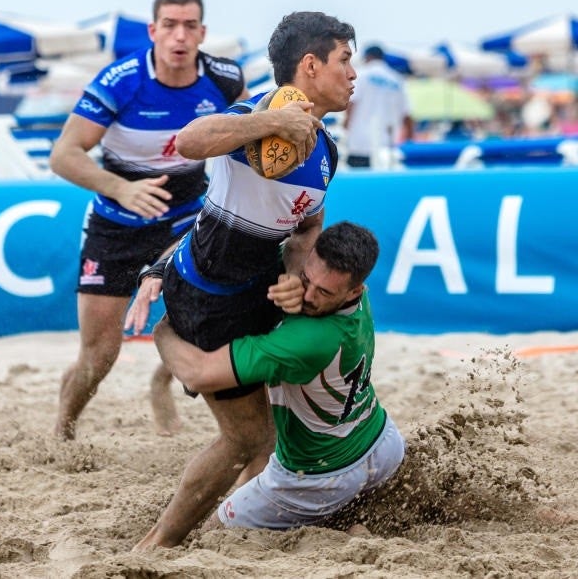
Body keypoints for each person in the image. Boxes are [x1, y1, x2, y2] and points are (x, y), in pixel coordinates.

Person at [122, 10, 358, 547]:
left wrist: (297, 276)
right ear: (310, 65)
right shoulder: (255, 117)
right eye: (345, 60)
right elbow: (188, 140)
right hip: (209, 297)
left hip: (255, 292)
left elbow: (306, 228)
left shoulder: (327, 150)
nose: (352, 74)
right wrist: (270, 123)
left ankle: (232, 529)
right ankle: (160, 544)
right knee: (248, 439)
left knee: (274, 433)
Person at [51, 0, 258, 440]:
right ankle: (62, 432)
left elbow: (251, 140)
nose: (179, 36)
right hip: (116, 223)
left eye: (189, 26)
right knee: (99, 355)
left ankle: (162, 382)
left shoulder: (224, 80)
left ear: (202, 33)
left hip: (188, 219)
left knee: (207, 321)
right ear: (153, 30)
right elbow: (63, 154)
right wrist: (121, 188)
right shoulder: (120, 80)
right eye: (169, 25)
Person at [135, 221, 403, 545]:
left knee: (213, 537)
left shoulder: (309, 340)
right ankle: (342, 525)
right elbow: (211, 234)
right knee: (266, 439)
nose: (308, 294)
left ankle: (159, 541)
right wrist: (159, 269)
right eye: (307, 279)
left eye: (324, 292)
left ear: (355, 290)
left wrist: (163, 330)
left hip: (319, 476)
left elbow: (197, 374)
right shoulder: (354, 300)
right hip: (383, 443)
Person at [342, 44, 413, 168]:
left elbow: (351, 102)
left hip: (359, 144)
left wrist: (346, 123)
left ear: (368, 57)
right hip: (387, 146)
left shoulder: (361, 75)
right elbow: (407, 115)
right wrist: (410, 139)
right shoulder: (397, 79)